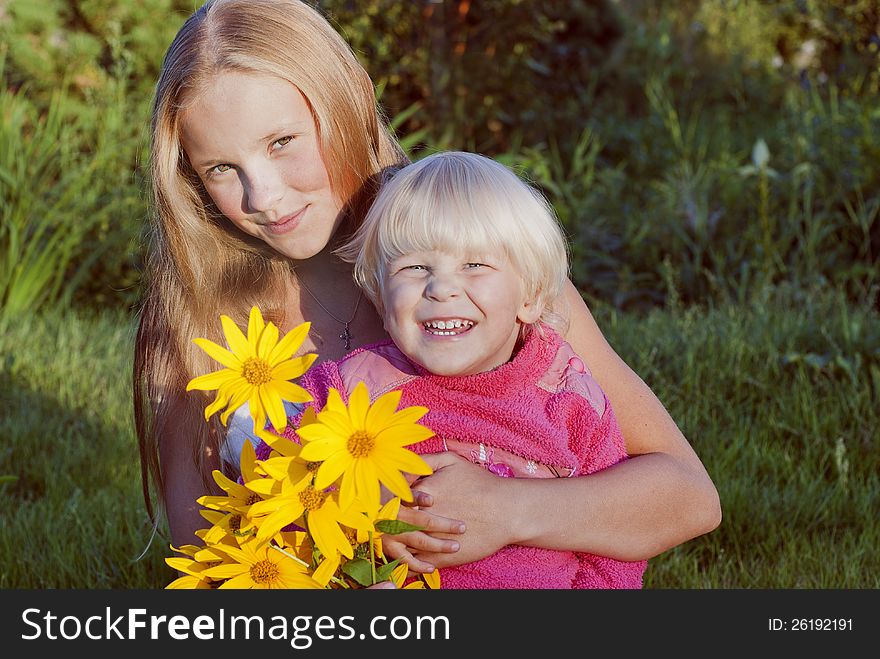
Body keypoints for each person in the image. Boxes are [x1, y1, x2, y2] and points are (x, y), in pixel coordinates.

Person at [134, 0, 720, 576]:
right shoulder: (197, 323)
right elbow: (207, 566)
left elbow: (688, 495)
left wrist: (510, 510)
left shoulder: (487, 278)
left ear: (347, 103)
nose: (263, 196)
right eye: (220, 169)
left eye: (282, 142)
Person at [284, 150, 647, 588]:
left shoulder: (568, 397)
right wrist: (354, 506)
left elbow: (615, 538)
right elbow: (276, 475)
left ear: (531, 297)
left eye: (474, 265)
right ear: (381, 299)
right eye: (415, 267)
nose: (442, 288)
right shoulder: (352, 387)